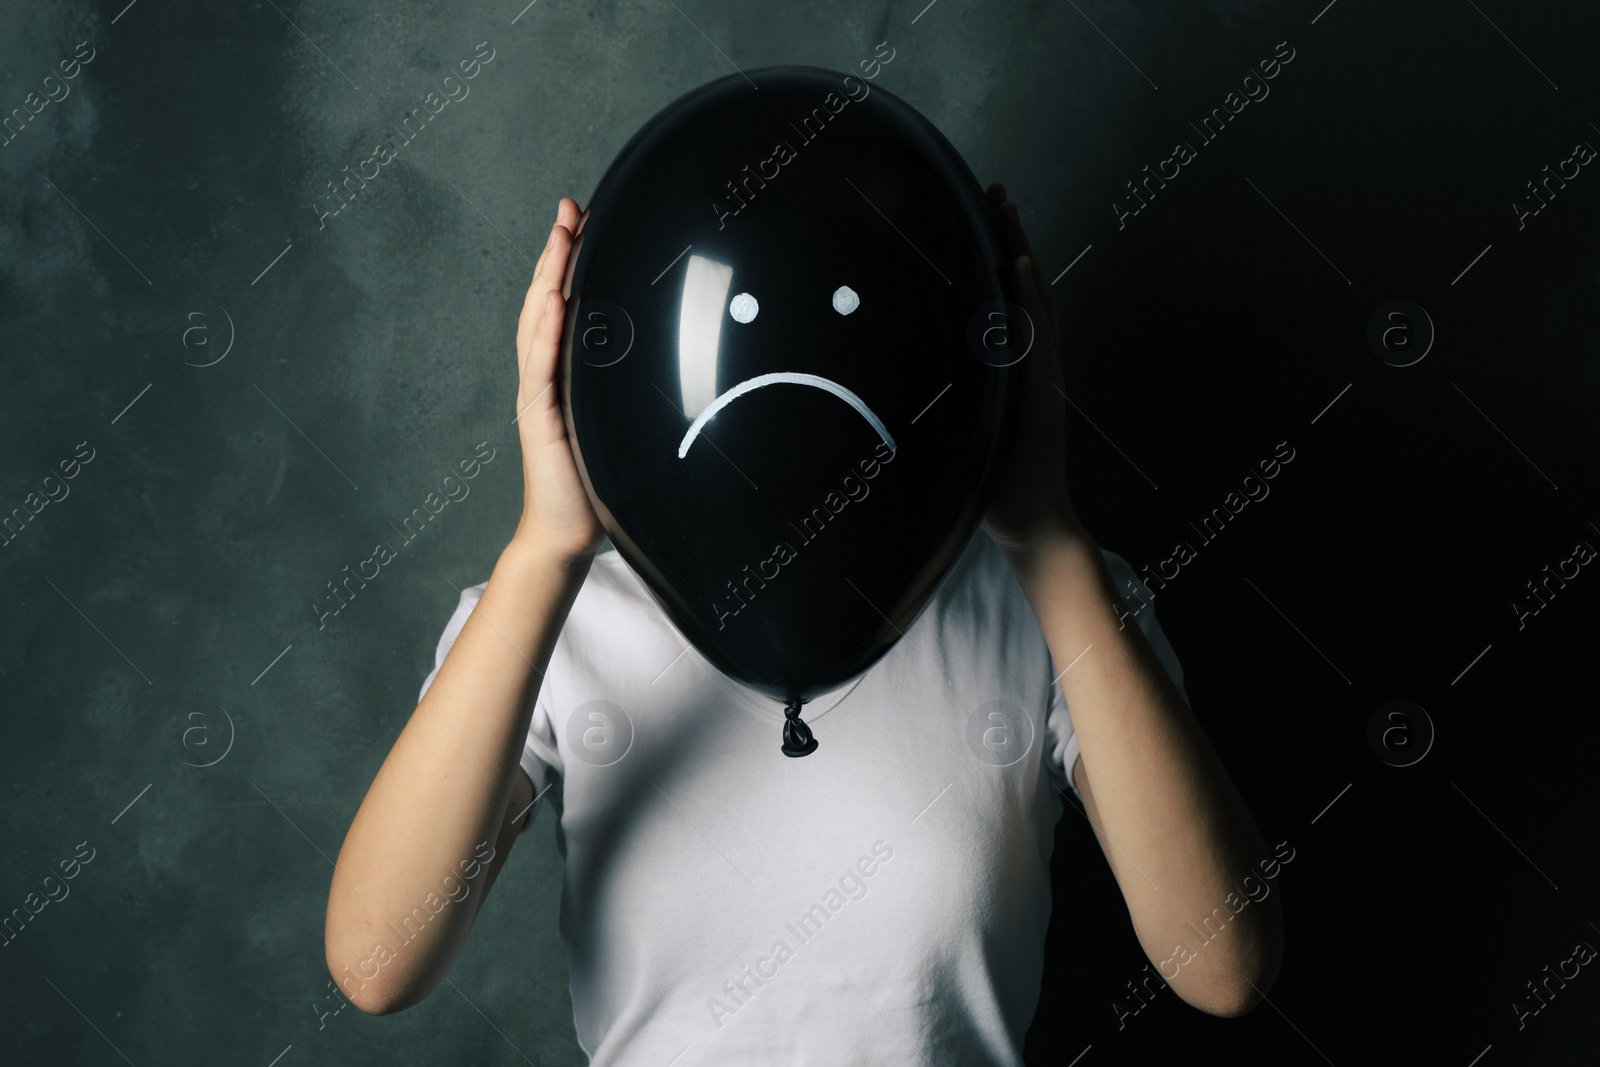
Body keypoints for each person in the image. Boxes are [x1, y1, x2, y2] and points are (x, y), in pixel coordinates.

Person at [324, 188, 1284, 1064]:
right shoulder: (554, 625)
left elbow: (1226, 965)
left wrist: (1048, 539)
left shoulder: (1050, 609)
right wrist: (544, 551)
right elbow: (377, 965)